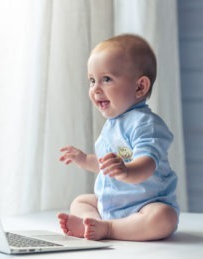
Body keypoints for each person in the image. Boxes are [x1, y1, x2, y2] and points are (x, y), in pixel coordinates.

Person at [58, 34, 179, 241]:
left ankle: (110, 229)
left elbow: (146, 165)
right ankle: (90, 222)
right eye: (91, 80)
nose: (96, 88)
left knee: (164, 217)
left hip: (144, 206)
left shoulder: (146, 124)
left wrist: (125, 170)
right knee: (81, 202)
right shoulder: (112, 125)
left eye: (106, 79)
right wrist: (84, 159)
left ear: (140, 86)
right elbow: (107, 167)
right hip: (111, 204)